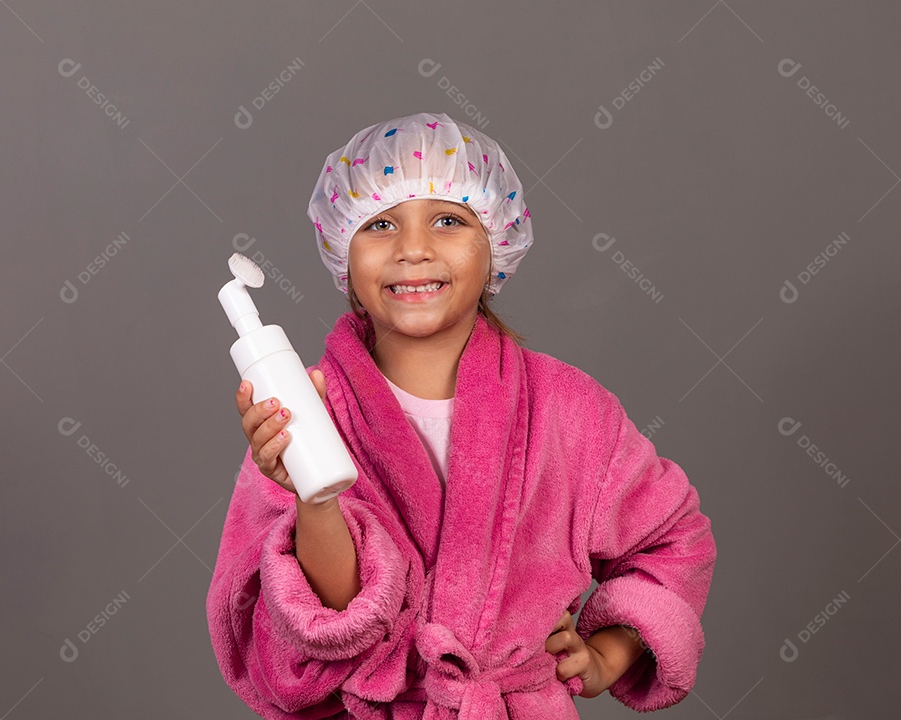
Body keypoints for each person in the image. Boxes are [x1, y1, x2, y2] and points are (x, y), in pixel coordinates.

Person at [207, 111, 717, 719]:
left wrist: (609, 652)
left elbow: (672, 540)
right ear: (343, 251)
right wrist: (311, 499)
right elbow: (327, 626)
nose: (413, 249)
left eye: (448, 220)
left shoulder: (566, 409)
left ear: (496, 243)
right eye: (380, 224)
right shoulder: (306, 411)